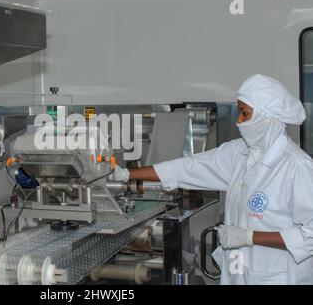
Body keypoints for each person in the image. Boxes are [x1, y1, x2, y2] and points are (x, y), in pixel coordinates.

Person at [110, 74, 313, 284]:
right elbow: (187, 167)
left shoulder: (297, 167)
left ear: (267, 117)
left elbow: (310, 235)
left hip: (279, 277)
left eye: (245, 114)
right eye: (239, 113)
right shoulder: (240, 154)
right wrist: (127, 175)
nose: (238, 121)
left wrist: (249, 237)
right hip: (240, 273)